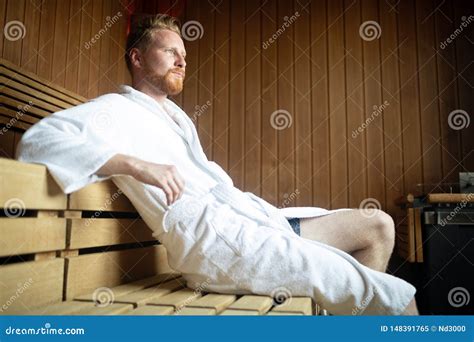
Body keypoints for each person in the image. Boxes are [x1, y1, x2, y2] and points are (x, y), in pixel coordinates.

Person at [16, 14, 418, 315]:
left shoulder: (175, 117)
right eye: (170, 51)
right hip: (219, 246)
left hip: (253, 221)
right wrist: (135, 165)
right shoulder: (114, 110)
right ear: (137, 57)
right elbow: (37, 143)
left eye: (184, 54)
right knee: (396, 298)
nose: (181, 60)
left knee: (378, 226)